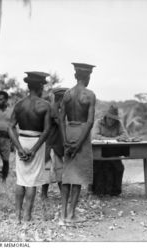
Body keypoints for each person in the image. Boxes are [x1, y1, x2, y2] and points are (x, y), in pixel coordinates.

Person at [8, 71, 51, 223]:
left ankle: (17, 216)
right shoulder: (45, 105)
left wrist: (19, 148)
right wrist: (34, 149)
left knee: (21, 180)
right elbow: (46, 131)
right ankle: (27, 217)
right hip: (36, 142)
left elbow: (10, 127)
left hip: (21, 140)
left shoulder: (19, 104)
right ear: (40, 86)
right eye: (43, 86)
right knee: (31, 181)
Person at [59, 63, 96, 224]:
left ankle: (62, 215)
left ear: (75, 76)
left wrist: (65, 141)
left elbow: (60, 119)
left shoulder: (67, 94)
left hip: (69, 131)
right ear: (87, 77)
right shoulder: (89, 95)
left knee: (67, 175)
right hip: (82, 132)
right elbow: (90, 122)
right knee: (79, 175)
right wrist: (79, 143)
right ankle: (71, 214)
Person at [92, 104, 129, 196]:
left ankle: (115, 191)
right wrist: (112, 139)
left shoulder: (118, 123)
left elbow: (125, 136)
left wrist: (114, 139)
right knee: (98, 168)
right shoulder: (98, 123)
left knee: (119, 168)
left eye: (113, 119)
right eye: (110, 118)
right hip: (100, 151)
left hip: (114, 151)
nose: (112, 121)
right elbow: (94, 136)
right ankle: (98, 191)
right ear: (105, 117)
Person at [41, 88, 68, 199]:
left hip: (54, 144)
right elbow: (60, 124)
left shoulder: (55, 109)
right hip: (52, 145)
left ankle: (48, 194)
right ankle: (46, 194)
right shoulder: (54, 110)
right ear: (61, 99)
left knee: (56, 169)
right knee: (54, 169)